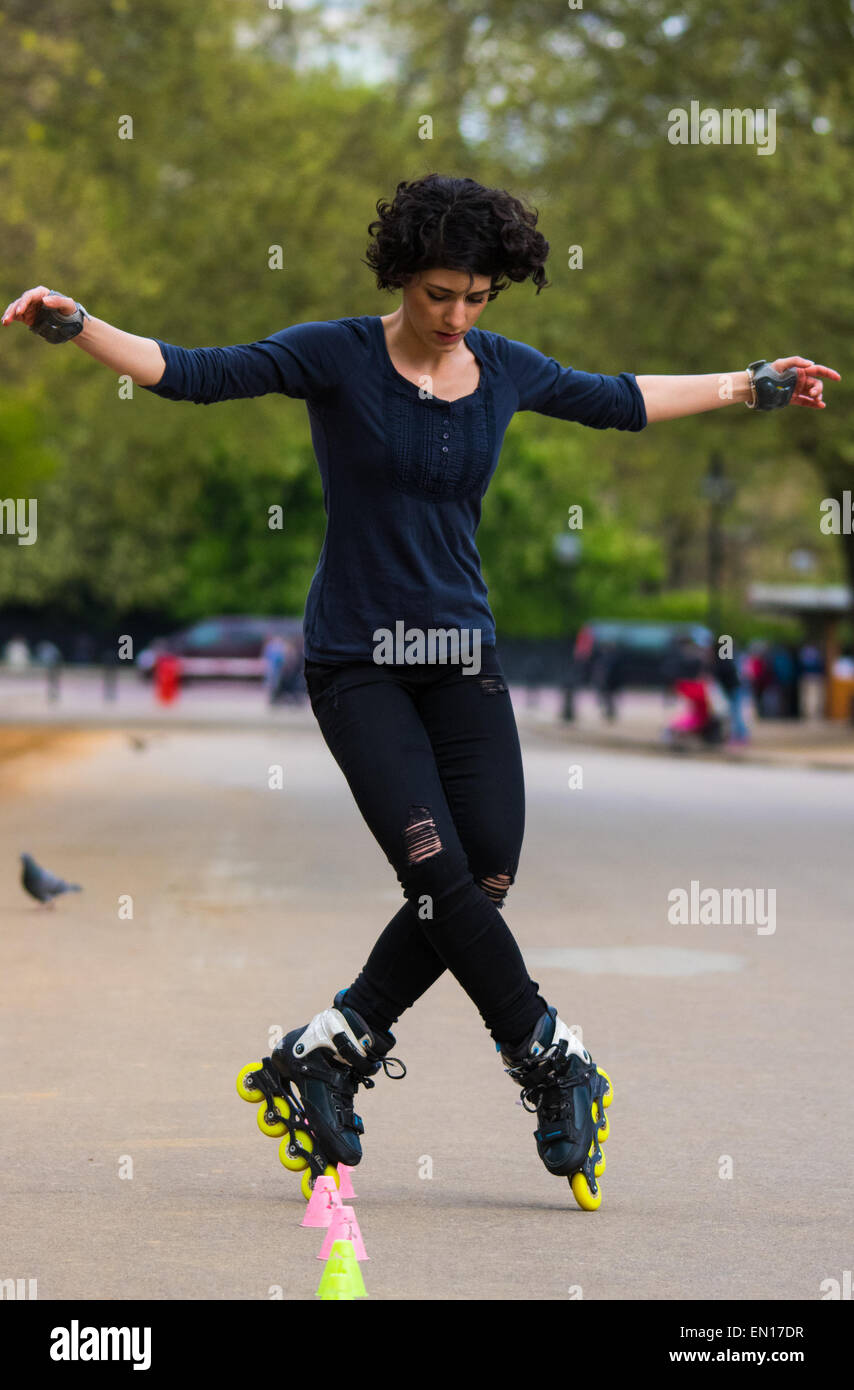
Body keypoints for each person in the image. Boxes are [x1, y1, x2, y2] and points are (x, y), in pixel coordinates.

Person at [3, 172, 839, 1210]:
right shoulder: (334, 354)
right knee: (436, 872)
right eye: (439, 293)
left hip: (460, 655)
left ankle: (328, 1047)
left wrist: (751, 384)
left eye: (475, 296)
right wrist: (81, 325)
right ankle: (548, 1055)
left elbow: (620, 398)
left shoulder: (499, 369)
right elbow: (193, 371)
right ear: (402, 277)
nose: (455, 317)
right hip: (356, 662)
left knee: (483, 869)